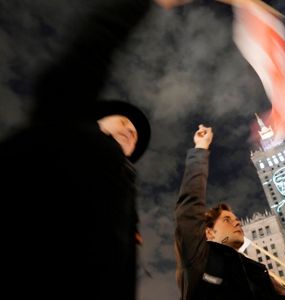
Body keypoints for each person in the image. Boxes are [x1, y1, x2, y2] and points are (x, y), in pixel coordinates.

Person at [0, 0, 186, 299]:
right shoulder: (67, 130)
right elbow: (92, 48)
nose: (130, 131)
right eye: (124, 122)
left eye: (135, 135)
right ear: (96, 118)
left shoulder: (123, 186)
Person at [175, 124, 285, 300]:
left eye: (236, 220)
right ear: (209, 232)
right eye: (227, 220)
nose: (237, 223)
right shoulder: (199, 258)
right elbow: (189, 207)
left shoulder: (257, 271)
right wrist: (201, 148)